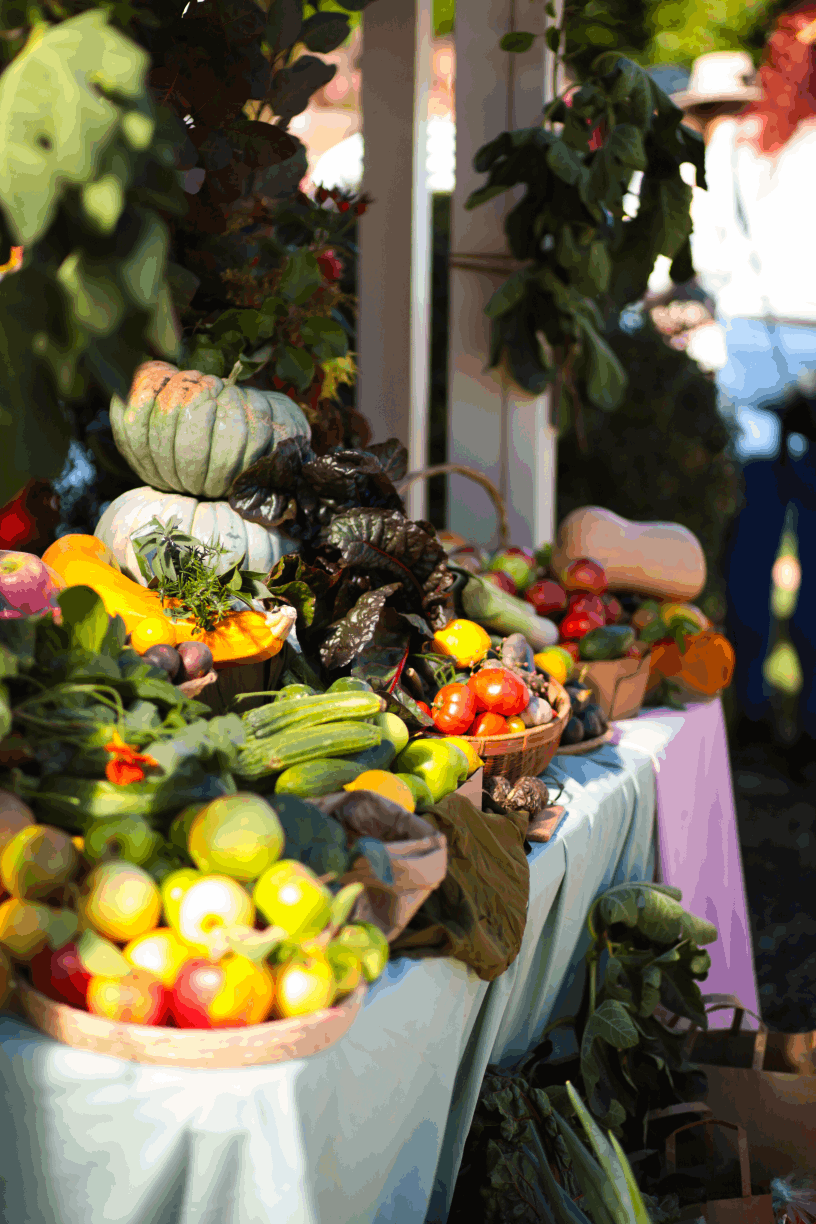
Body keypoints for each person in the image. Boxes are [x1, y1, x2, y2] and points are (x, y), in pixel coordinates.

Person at [672, 22, 816, 779]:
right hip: (814, 336)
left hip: (752, 341)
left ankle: (750, 707)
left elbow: (713, 252)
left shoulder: (734, 139)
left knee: (754, 533)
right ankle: (810, 720)